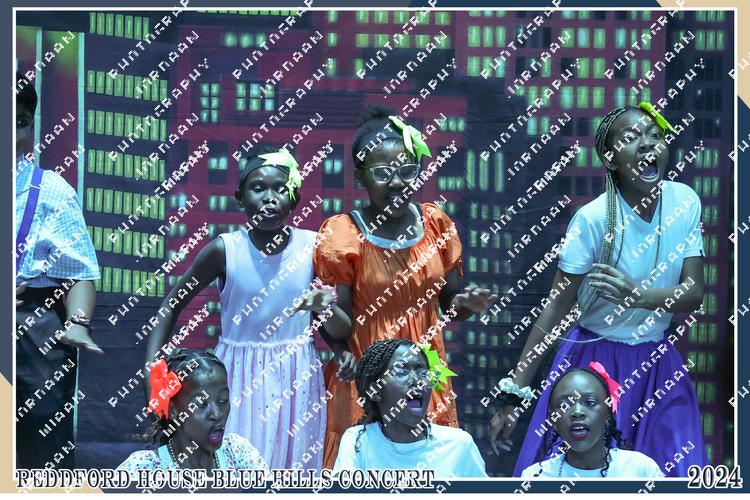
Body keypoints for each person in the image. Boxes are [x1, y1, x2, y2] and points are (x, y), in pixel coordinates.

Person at [489, 102, 708, 477]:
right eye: (632, 137)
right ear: (610, 158)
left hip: (657, 361)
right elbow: (556, 308)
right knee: (582, 474)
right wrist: (515, 392)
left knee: (677, 472)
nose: (647, 143)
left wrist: (637, 296)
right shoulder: (592, 219)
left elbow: (693, 292)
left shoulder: (684, 201)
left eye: (655, 135)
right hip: (594, 362)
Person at [314, 103, 496, 468]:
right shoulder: (343, 233)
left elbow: (450, 306)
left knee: (430, 464)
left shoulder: (436, 224)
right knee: (365, 466)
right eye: (383, 173)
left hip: (423, 367)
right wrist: (326, 316)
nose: (397, 182)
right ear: (360, 176)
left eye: (407, 171)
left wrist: (466, 305)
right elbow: (339, 327)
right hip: (366, 372)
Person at [145, 147, 349, 469]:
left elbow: (322, 316)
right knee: (238, 467)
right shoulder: (225, 250)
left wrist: (340, 349)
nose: (269, 198)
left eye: (279, 189)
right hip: (239, 376)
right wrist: (153, 370)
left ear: (295, 198)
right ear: (240, 198)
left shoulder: (312, 247)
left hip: (297, 374)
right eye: (258, 188)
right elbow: (172, 304)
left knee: (295, 469)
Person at [15, 72, 103, 469]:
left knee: (42, 434)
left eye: (20, 122)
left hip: (32, 326)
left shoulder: (50, 190)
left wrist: (78, 323)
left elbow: (79, 271)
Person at [333, 339, 487, 477]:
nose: (417, 380)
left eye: (423, 373)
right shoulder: (358, 441)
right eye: (401, 372)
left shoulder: (458, 444)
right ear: (375, 391)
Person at [118, 349, 268, 474]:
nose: (217, 414)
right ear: (172, 410)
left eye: (222, 400)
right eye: (201, 404)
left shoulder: (238, 454)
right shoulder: (144, 469)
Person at [521, 362, 664, 478]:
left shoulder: (641, 470)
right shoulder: (534, 477)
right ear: (553, 418)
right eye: (565, 405)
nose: (577, 412)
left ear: (608, 412)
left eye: (590, 402)